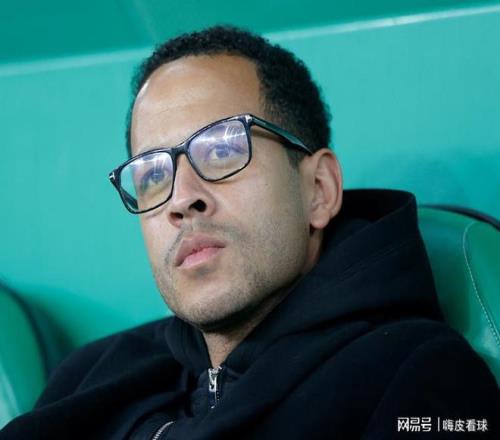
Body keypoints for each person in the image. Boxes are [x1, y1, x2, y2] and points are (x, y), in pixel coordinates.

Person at [1, 25, 498, 439]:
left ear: (319, 190)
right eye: (152, 174)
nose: (180, 198)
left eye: (222, 150)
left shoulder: (417, 378)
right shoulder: (91, 377)